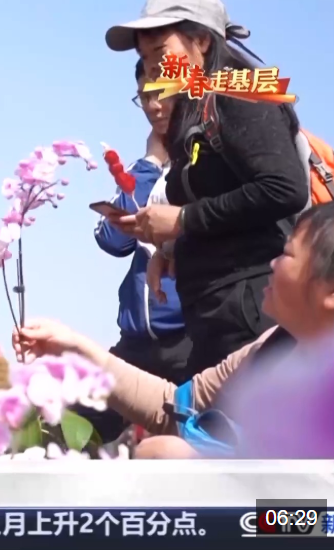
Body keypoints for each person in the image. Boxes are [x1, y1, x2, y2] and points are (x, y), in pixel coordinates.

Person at [12, 202, 334, 458]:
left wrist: (217, 473)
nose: (273, 263)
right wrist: (75, 348)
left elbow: (315, 514)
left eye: (287, 254)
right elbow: (173, 406)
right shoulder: (271, 347)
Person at [105, 0, 308, 372]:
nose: (152, 66)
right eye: (144, 56)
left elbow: (284, 187)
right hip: (213, 313)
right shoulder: (196, 107)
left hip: (249, 307)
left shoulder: (241, 90)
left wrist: (184, 220)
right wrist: (171, 250)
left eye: (160, 51)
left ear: (201, 41)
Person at [86, 59, 192, 442]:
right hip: (135, 343)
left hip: (190, 344)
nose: (152, 106)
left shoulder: (205, 164)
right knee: (77, 427)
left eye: (162, 93)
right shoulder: (142, 171)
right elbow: (113, 241)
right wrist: (149, 164)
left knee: (193, 450)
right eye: (144, 96)